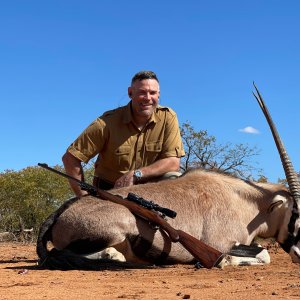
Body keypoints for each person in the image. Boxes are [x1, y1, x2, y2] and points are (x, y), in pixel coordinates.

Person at [62, 70, 185, 197]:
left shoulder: (168, 117)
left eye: (152, 93)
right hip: (111, 189)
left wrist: (137, 174)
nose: (148, 98)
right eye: (142, 92)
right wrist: (83, 196)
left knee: (175, 177)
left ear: (158, 95)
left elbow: (173, 162)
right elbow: (70, 158)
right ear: (130, 93)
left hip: (149, 189)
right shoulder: (106, 122)